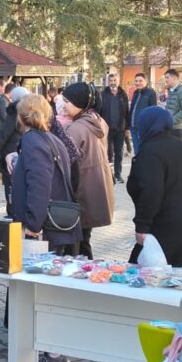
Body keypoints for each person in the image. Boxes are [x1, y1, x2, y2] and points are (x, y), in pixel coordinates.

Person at [11, 94, 80, 362]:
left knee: (43, 293)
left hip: (42, 230)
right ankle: (50, 349)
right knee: (47, 290)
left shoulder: (33, 142)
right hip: (57, 227)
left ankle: (53, 354)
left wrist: (33, 225)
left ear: (20, 117)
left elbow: (39, 184)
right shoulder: (51, 139)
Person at [126, 107, 182, 267]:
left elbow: (152, 191)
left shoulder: (151, 152)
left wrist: (142, 226)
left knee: (138, 272)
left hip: (166, 223)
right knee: (169, 273)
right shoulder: (180, 146)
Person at [60, 83, 114, 258]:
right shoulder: (98, 120)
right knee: (84, 238)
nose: (63, 105)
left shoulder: (75, 128)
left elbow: (65, 161)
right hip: (97, 186)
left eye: (67, 101)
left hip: (81, 189)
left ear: (79, 102)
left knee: (76, 245)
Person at [0, 86, 29, 218]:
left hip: (10, 152)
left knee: (10, 183)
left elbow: (3, 134)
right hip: (24, 150)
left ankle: (12, 210)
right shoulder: (29, 112)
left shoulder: (13, 114)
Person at [99, 73, 130, 183]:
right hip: (106, 129)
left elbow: (127, 112)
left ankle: (118, 174)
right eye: (111, 81)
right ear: (108, 82)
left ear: (118, 81)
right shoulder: (103, 94)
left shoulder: (123, 94)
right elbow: (98, 112)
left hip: (120, 128)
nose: (113, 83)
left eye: (114, 80)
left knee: (119, 152)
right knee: (107, 153)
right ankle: (108, 175)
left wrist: (127, 128)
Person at [128, 73, 158, 153]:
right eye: (136, 81)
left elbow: (153, 110)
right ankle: (138, 164)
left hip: (143, 127)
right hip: (133, 126)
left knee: (144, 150)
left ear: (146, 81)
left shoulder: (151, 93)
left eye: (140, 81)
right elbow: (132, 108)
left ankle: (144, 164)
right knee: (136, 150)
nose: (138, 83)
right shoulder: (135, 93)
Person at [163, 69, 182, 141]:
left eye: (167, 77)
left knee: (177, 151)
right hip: (170, 127)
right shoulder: (170, 90)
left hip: (178, 128)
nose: (165, 80)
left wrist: (172, 120)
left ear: (174, 78)